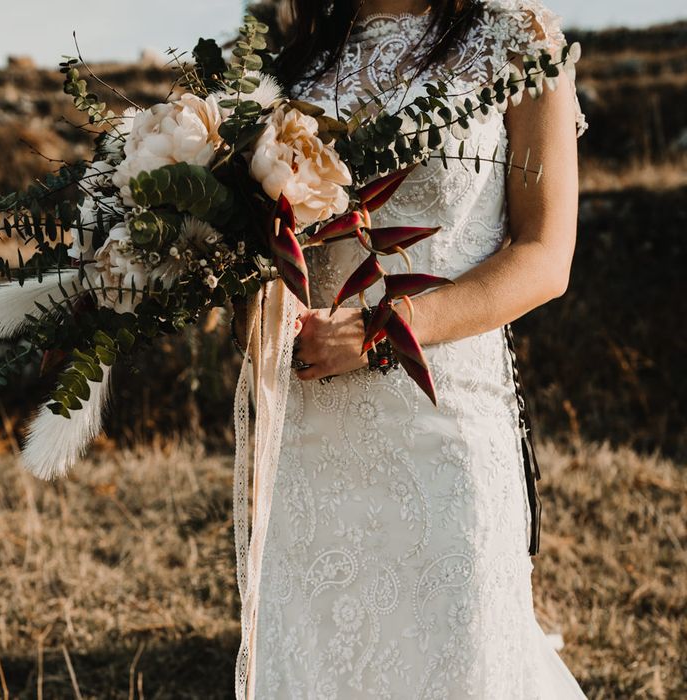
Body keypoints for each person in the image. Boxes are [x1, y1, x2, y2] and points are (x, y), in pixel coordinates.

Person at [239, 0, 589, 697]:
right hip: (310, 436)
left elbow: (545, 256)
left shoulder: (517, 37)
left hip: (444, 421)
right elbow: (263, 244)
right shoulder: (295, 54)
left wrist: (381, 331)